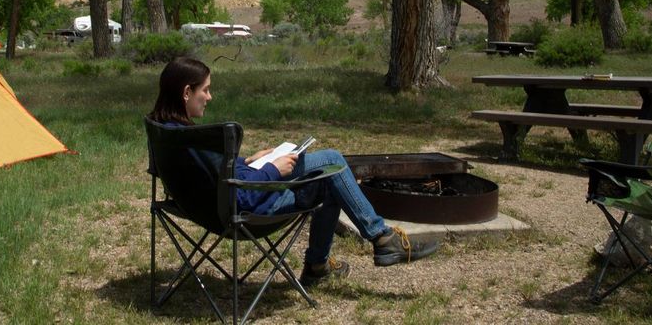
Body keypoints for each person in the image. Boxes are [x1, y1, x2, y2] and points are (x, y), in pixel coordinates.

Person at [149, 56, 440, 286]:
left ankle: (319, 267)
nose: (210, 97)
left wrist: (248, 162)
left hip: (206, 209)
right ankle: (381, 239)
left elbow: (215, 175)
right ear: (187, 92)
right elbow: (244, 198)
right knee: (332, 163)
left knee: (328, 179)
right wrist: (274, 170)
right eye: (206, 89)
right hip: (243, 212)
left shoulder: (167, 132)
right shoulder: (196, 140)